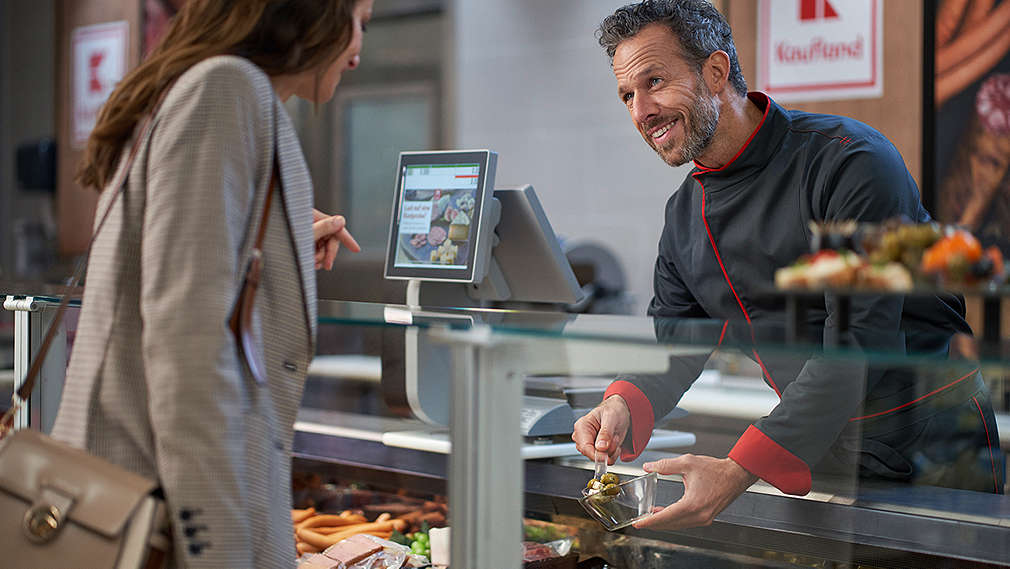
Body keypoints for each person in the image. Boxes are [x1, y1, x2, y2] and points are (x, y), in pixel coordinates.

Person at [573, 0, 1005, 532]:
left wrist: (737, 470)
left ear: (714, 72)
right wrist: (620, 405)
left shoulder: (849, 161)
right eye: (627, 95)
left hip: (931, 447)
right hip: (819, 444)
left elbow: (856, 344)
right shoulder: (684, 214)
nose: (641, 111)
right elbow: (676, 346)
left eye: (655, 81)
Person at [51, 0, 370, 566]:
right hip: (160, 515)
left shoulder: (212, 86)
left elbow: (177, 262)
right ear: (312, 14)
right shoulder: (226, 89)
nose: (357, 48)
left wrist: (278, 234)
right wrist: (218, 550)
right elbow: (188, 351)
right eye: (359, 21)